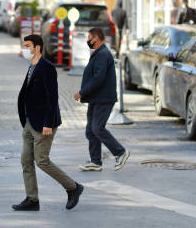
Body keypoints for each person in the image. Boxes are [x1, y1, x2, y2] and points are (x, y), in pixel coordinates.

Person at [13, 34, 84, 211]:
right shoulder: (32, 66)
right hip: (30, 122)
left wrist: (47, 123)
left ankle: (73, 187)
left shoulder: (47, 68)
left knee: (42, 160)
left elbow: (52, 98)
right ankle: (32, 199)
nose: (25, 49)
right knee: (26, 160)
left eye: (27, 46)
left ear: (37, 47)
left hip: (44, 123)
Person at [74, 27, 130, 172]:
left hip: (104, 99)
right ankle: (95, 161)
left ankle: (120, 152)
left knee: (97, 128)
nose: (88, 41)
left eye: (89, 38)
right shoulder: (99, 53)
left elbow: (98, 78)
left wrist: (82, 92)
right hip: (96, 98)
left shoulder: (102, 54)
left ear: (96, 39)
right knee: (90, 130)